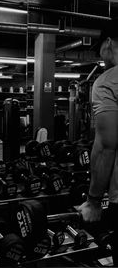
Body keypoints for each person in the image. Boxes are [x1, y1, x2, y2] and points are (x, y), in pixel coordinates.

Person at [78, 18, 118, 266]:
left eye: (101, 53)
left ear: (108, 43)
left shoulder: (108, 81)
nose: (102, 60)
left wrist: (93, 201)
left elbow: (106, 146)